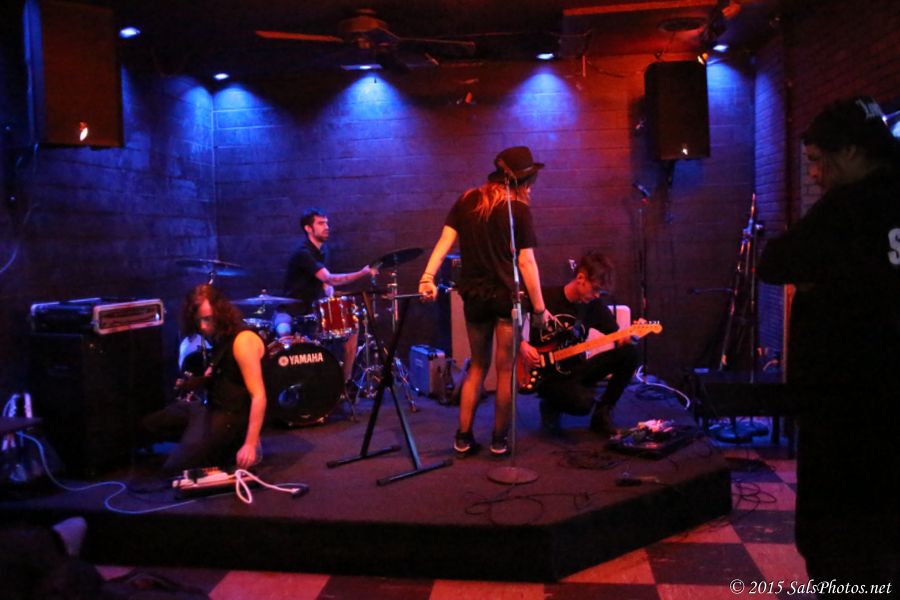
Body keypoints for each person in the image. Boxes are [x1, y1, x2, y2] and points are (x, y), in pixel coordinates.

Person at [757, 96, 900, 588]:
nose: (814, 175)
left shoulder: (848, 206)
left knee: (841, 541)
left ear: (852, 151)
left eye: (818, 160)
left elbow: (774, 262)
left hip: (846, 402)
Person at [420, 146, 549, 457]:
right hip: (506, 298)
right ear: (521, 181)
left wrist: (427, 276)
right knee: (505, 372)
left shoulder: (467, 201)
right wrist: (540, 309)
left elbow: (444, 240)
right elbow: (526, 263)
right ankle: (499, 441)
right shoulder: (517, 210)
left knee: (477, 366)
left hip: (475, 297)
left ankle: (463, 438)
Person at [142, 284, 267, 475]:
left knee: (174, 468)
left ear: (221, 313)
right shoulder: (219, 338)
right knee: (148, 424)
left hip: (229, 417)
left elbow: (259, 396)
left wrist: (250, 444)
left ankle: (215, 445)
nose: (202, 326)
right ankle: (198, 442)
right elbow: (227, 378)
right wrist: (195, 383)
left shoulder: (243, 340)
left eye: (208, 319)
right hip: (210, 409)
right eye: (198, 320)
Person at [520, 252, 640, 436]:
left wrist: (633, 336)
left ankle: (602, 414)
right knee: (582, 403)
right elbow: (509, 320)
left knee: (630, 354)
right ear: (580, 279)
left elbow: (619, 340)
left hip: (577, 370)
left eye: (600, 292)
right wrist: (522, 344)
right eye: (595, 289)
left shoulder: (593, 306)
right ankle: (550, 404)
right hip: (546, 376)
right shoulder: (544, 297)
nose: (596, 295)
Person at [279, 208, 378, 388]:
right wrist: (362, 273)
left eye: (327, 223)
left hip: (312, 313)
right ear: (308, 228)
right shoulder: (303, 253)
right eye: (321, 223)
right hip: (290, 312)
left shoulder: (323, 251)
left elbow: (326, 284)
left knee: (352, 332)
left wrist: (330, 292)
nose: (326, 227)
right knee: (283, 333)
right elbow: (329, 278)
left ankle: (343, 384)